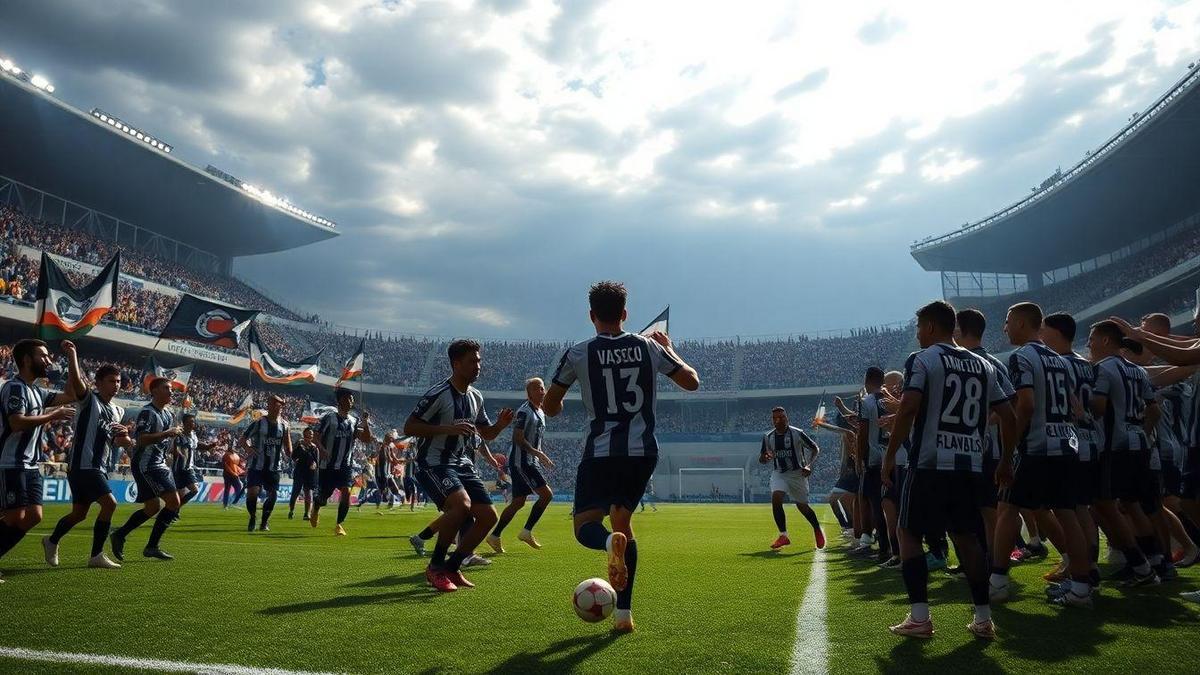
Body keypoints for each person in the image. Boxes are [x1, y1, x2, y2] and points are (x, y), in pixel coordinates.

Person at [543, 280, 700, 632]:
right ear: (625, 314)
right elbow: (692, 382)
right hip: (642, 452)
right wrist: (671, 350)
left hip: (600, 452)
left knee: (586, 527)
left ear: (591, 315)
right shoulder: (649, 347)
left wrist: (557, 398)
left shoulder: (579, 352)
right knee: (624, 526)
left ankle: (605, 544)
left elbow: (551, 407)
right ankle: (623, 616)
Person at [881, 300, 1016, 640]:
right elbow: (1010, 415)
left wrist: (890, 454)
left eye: (918, 328)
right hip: (970, 464)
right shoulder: (984, 364)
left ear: (928, 327)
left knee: (908, 532)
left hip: (929, 462)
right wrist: (1004, 461)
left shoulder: (922, 359)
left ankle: (920, 618)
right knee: (967, 539)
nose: (916, 335)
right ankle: (984, 619)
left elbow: (910, 406)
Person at [986, 302, 1092, 608]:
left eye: (1007, 321)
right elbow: (1075, 408)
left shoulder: (1022, 357)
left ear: (1021, 323)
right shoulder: (1061, 360)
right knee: (1067, 513)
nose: (1005, 327)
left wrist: (1008, 453)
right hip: (1065, 445)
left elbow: (1027, 404)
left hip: (1036, 447)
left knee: (1007, 508)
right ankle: (1082, 589)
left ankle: (998, 583)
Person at [404, 339, 513, 592]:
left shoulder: (476, 397)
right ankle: (435, 567)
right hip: (434, 463)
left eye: (479, 361)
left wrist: (499, 426)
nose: (478, 366)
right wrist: (447, 429)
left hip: (462, 463)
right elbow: (409, 427)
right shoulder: (438, 393)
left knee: (488, 516)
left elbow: (486, 433)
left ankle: (452, 568)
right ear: (456, 364)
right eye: (472, 361)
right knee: (461, 506)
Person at [0, 339, 85, 582]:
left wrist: (72, 357)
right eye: (43, 356)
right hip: (9, 463)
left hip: (30, 464)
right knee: (15, 517)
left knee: (35, 516)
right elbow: (16, 422)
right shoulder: (14, 388)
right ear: (27, 360)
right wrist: (52, 415)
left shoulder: (38, 391)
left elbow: (70, 394)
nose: (48, 360)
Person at [1088, 320, 1163, 586]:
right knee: (1132, 504)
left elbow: (1098, 407)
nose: (1089, 343)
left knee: (1104, 504)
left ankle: (1138, 564)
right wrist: (1143, 432)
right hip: (1138, 442)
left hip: (1114, 446)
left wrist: (1078, 409)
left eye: (1092, 337)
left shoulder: (1103, 369)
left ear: (1106, 340)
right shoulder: (1137, 370)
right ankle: (1156, 562)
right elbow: (1154, 410)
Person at [42, 362, 127, 570]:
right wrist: (72, 355)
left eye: (118, 381)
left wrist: (124, 437)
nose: (116, 385)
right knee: (110, 504)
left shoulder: (119, 411)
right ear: (97, 383)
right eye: (110, 381)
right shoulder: (89, 400)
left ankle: (51, 540)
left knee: (79, 513)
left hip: (99, 467)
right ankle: (96, 555)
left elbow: (119, 441)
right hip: (83, 465)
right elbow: (77, 382)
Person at [109, 377, 183, 562]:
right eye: (167, 388)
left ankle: (120, 535)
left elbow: (166, 439)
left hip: (159, 463)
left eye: (171, 389)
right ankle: (151, 546)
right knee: (173, 503)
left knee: (153, 507)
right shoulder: (147, 413)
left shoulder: (168, 413)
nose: (171, 392)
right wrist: (167, 433)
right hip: (147, 464)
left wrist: (171, 450)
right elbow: (141, 439)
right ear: (155, 391)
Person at [488, 377, 556, 553]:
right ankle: (526, 531)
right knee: (546, 495)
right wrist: (538, 453)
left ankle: (494, 536)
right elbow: (517, 439)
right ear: (529, 393)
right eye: (537, 389)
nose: (541, 391)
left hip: (530, 460)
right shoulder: (524, 412)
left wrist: (539, 453)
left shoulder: (540, 412)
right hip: (521, 461)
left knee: (518, 502)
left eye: (542, 388)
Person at [761, 406, 824, 551]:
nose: (779, 420)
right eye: (775, 418)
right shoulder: (768, 437)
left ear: (787, 418)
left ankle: (816, 528)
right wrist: (765, 458)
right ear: (772, 420)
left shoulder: (797, 433)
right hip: (779, 473)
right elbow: (762, 457)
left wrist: (808, 465)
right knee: (776, 497)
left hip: (797, 474)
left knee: (802, 506)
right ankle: (783, 535)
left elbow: (815, 448)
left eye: (782, 417)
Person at [312, 389, 371, 536]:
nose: (351, 401)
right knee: (324, 497)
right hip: (328, 465)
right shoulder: (329, 418)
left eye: (352, 399)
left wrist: (365, 423)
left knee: (346, 492)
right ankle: (316, 507)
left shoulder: (353, 420)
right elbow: (316, 436)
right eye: (348, 398)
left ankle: (339, 524)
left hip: (345, 465)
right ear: (340, 401)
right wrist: (322, 449)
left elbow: (366, 439)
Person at [857, 367, 896, 563]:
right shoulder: (893, 399)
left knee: (877, 504)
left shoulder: (866, 401)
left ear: (867, 379)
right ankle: (897, 548)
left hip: (875, 459)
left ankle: (884, 549)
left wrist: (859, 459)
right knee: (893, 504)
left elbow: (862, 433)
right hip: (895, 457)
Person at [241, 395, 291, 532]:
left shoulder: (285, 425)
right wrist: (249, 449)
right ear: (269, 405)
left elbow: (288, 447)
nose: (279, 406)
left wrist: (293, 454)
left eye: (280, 404)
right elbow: (243, 439)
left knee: (273, 495)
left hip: (274, 467)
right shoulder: (259, 423)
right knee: (253, 493)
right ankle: (252, 516)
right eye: (276, 404)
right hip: (256, 465)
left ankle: (264, 522)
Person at [171, 413, 213, 516]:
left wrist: (207, 446)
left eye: (193, 422)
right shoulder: (179, 434)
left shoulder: (193, 435)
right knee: (181, 493)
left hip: (188, 468)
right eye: (190, 422)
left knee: (194, 490)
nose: (192, 424)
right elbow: (173, 447)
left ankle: (174, 510)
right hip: (179, 467)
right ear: (184, 423)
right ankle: (174, 512)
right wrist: (178, 453)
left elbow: (197, 445)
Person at [289, 427, 319, 520]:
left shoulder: (314, 448)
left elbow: (317, 461)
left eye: (312, 434)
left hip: (310, 473)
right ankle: (291, 510)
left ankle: (307, 514)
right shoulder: (299, 445)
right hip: (299, 471)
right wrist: (296, 459)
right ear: (304, 434)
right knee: (295, 493)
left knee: (308, 492)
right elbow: (293, 456)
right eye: (309, 434)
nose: (311, 435)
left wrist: (314, 464)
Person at [222, 444, 246, 509]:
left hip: (233, 474)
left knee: (238, 487)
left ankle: (232, 502)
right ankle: (226, 504)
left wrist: (241, 471)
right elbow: (226, 466)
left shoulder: (236, 455)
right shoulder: (226, 455)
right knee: (228, 489)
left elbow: (237, 466)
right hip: (228, 475)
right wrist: (234, 473)